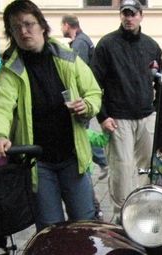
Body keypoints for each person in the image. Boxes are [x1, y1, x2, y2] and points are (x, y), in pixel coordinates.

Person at [0, 0, 102, 231]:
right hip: (38, 163)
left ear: (42, 26)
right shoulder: (10, 69)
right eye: (15, 27)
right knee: (49, 227)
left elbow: (94, 92)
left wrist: (87, 105)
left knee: (85, 221)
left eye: (28, 24)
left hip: (72, 157)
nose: (23, 31)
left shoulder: (66, 58)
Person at [90, 0, 162, 221]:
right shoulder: (107, 45)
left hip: (146, 117)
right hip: (118, 119)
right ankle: (122, 217)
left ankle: (147, 212)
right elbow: (93, 83)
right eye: (125, 14)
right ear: (120, 16)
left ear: (141, 16)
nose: (129, 18)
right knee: (121, 171)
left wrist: (158, 110)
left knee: (148, 169)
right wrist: (102, 117)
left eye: (133, 14)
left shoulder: (151, 46)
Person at [61, 14, 108, 181]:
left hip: (82, 98)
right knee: (84, 132)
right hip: (86, 97)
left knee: (82, 133)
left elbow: (73, 70)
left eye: (62, 26)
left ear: (67, 25)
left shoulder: (80, 43)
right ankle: (100, 162)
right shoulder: (83, 40)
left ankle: (97, 164)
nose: (61, 29)